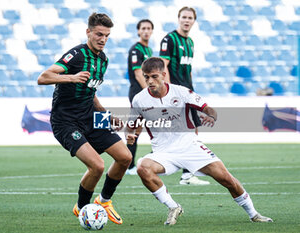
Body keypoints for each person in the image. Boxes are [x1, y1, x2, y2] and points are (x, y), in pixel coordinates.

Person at [125, 57, 273, 225]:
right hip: (163, 153)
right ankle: (173, 207)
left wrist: (211, 115)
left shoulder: (181, 92)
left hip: (190, 147)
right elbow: (131, 126)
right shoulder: (139, 99)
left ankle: (254, 214)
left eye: (154, 76)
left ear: (164, 74)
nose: (150, 81)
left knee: (226, 179)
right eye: (146, 77)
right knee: (143, 167)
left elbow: (208, 108)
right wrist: (129, 136)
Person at [37, 13, 132, 225]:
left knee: (125, 157)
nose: (103, 39)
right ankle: (82, 208)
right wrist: (71, 77)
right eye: (99, 34)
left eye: (107, 35)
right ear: (88, 32)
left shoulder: (103, 60)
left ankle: (104, 201)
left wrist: (107, 115)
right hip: (66, 121)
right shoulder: (77, 55)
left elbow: (91, 92)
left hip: (90, 116)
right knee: (97, 166)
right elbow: (43, 77)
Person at [159, 6, 209, 185]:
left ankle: (186, 173)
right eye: (184, 17)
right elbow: (163, 66)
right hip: (176, 93)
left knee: (192, 129)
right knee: (180, 131)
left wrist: (192, 92)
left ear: (194, 21)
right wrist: (170, 90)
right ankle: (163, 164)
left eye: (190, 18)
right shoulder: (170, 39)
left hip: (187, 92)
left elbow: (189, 69)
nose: (187, 20)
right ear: (178, 18)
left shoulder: (190, 42)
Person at [126, 19, 154, 175]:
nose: (146, 31)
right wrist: (150, 92)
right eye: (143, 28)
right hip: (138, 94)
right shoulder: (136, 49)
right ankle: (128, 166)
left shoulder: (148, 50)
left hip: (143, 94)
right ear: (138, 31)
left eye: (149, 28)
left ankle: (130, 164)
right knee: (135, 128)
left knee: (138, 129)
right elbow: (138, 74)